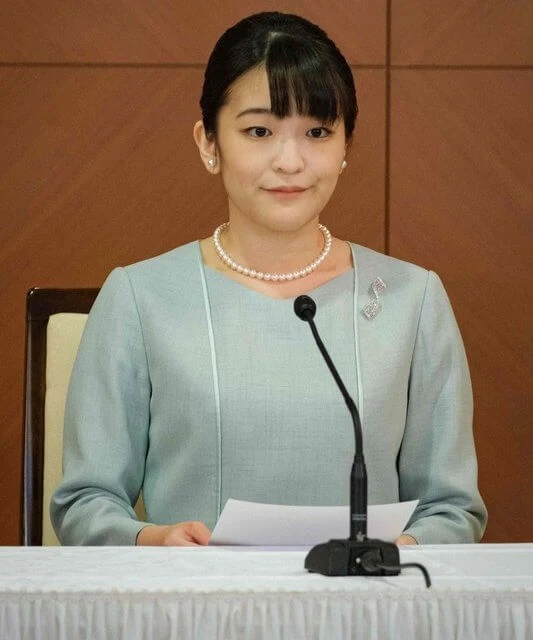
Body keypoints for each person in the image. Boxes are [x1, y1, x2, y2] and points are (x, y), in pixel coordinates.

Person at [51, 11, 487, 546]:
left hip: (366, 615)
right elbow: (84, 503)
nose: (290, 160)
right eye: (259, 130)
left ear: (346, 146)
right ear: (209, 142)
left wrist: (407, 549)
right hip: (198, 615)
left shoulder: (412, 300)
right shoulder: (140, 299)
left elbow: (451, 508)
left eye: (317, 132)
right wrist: (151, 543)